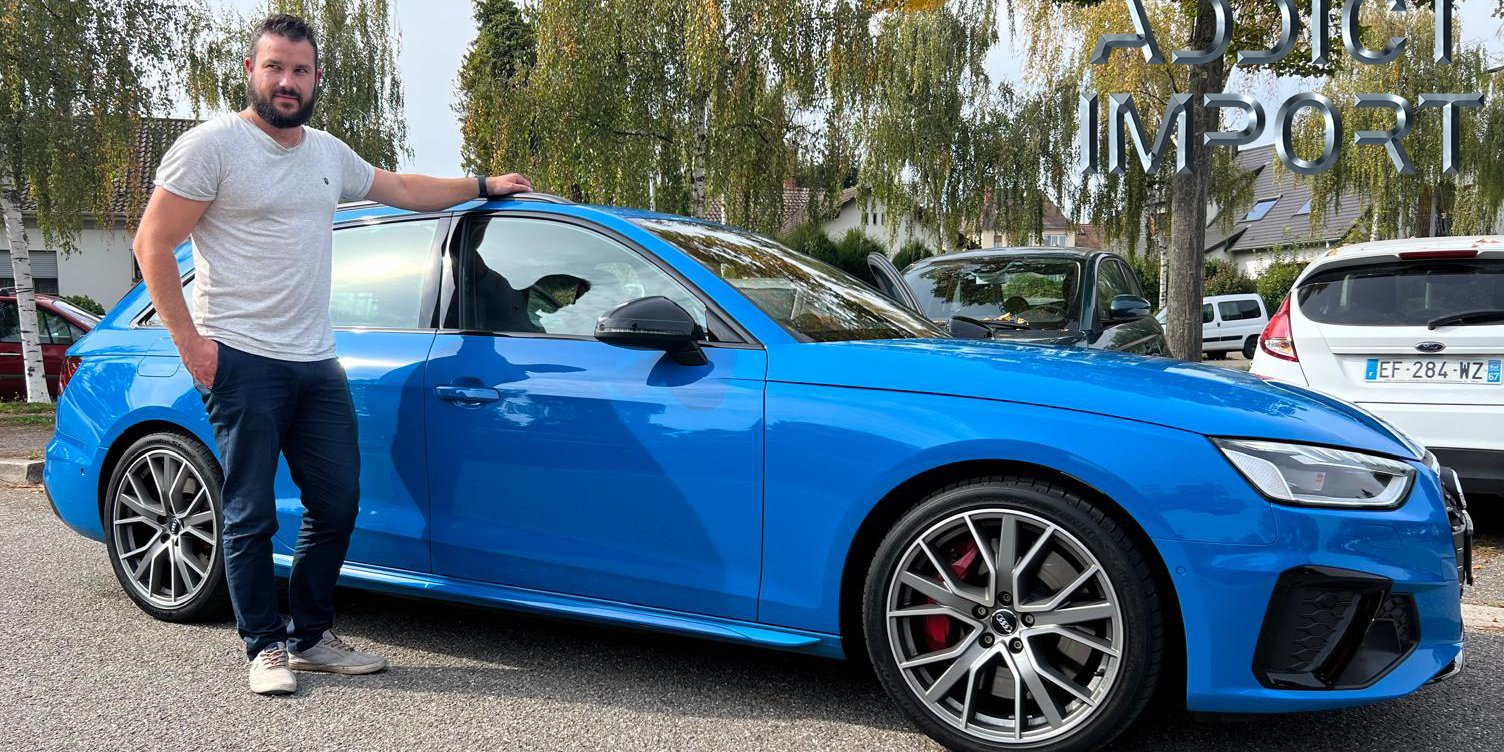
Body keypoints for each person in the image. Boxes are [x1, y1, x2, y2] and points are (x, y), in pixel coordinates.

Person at [132, 13, 532, 696]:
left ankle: (311, 636)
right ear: (252, 71)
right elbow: (152, 243)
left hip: (316, 360)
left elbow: (400, 189)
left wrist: (483, 185)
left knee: (337, 502)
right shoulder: (211, 147)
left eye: (300, 70)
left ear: (317, 78)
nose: (287, 82)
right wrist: (192, 345)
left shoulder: (326, 153)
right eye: (275, 67)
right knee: (251, 512)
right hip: (242, 357)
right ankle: (265, 647)